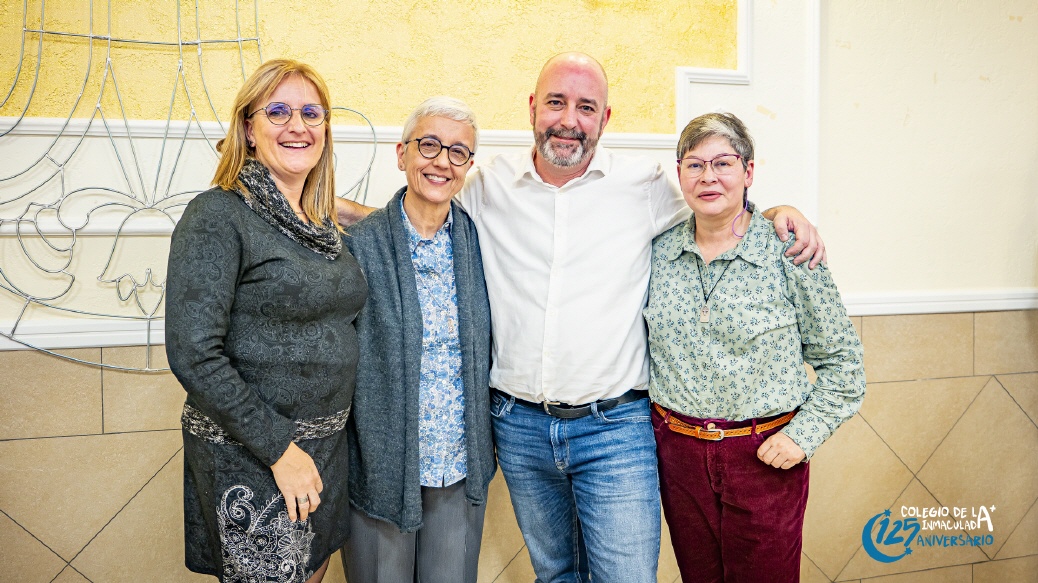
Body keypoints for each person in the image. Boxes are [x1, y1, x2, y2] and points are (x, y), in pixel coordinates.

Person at [335, 52, 825, 582]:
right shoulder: (486, 185)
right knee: (556, 576)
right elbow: (417, 214)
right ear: (532, 108)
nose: (569, 120)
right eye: (556, 103)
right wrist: (326, 210)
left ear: (605, 118)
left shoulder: (645, 186)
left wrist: (777, 213)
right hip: (519, 427)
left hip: (616, 430)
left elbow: (718, 208)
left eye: (586, 107)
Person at [166, 59, 366, 583]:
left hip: (326, 450)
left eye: (311, 113)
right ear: (249, 130)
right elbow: (193, 353)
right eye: (278, 112)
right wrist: (279, 450)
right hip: (256, 453)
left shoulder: (319, 222)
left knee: (314, 571)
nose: (297, 126)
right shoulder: (217, 215)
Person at [645, 112, 865, 582]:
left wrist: (801, 437)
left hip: (763, 457)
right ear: (679, 173)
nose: (708, 177)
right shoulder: (656, 252)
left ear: (748, 171)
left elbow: (844, 365)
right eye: (694, 164)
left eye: (723, 163)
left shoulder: (789, 250)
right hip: (678, 458)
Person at [338, 97, 494, 583]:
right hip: (381, 467)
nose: (442, 161)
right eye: (429, 145)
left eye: (458, 152)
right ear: (401, 153)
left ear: (468, 165)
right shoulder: (359, 245)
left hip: (458, 464)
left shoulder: (479, 240)